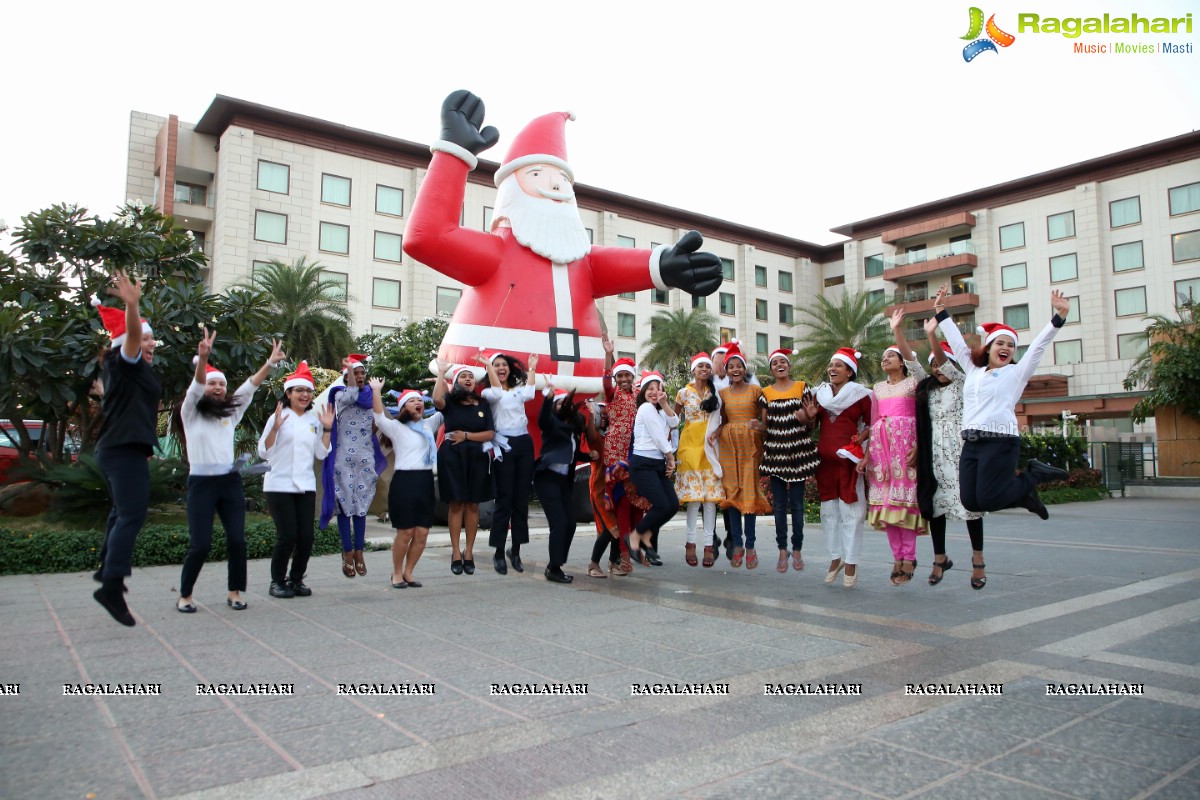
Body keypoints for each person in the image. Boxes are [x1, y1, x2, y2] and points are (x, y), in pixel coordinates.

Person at [402, 90, 721, 394]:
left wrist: (666, 265)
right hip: (489, 401)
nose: (555, 184)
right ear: (512, 190)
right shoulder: (496, 254)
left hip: (572, 407)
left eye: (563, 180)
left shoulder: (583, 260)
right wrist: (453, 153)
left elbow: (625, 264)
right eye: (538, 174)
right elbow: (427, 238)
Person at [936, 286, 1072, 589]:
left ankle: (1032, 476)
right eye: (1000, 342)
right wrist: (942, 312)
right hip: (971, 442)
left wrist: (1058, 318)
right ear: (988, 347)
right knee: (970, 501)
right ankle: (1024, 493)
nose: (1006, 348)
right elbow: (957, 344)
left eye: (1011, 345)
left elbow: (1037, 346)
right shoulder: (972, 370)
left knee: (986, 497)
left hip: (1000, 441)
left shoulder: (1017, 373)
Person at [177, 329, 284, 613]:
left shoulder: (231, 413)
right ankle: (185, 595)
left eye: (221, 385)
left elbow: (249, 387)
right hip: (201, 484)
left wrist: (270, 363)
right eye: (212, 384)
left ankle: (234, 592)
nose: (217, 389)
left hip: (229, 483)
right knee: (200, 544)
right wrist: (203, 359)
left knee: (237, 540)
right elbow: (195, 386)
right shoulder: (190, 412)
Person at [91, 271, 160, 627]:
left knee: (121, 512)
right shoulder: (124, 363)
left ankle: (107, 570)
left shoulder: (127, 371)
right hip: (120, 449)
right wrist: (132, 306)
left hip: (124, 448)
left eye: (152, 341)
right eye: (145, 340)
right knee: (132, 514)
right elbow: (131, 336)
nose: (149, 345)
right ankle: (112, 586)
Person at [859, 310, 928, 586]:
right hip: (881, 456)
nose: (885, 359)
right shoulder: (877, 388)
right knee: (887, 510)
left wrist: (897, 331)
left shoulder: (914, 383)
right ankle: (896, 557)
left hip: (905, 451)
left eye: (891, 356)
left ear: (901, 361)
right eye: (883, 357)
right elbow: (874, 422)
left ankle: (909, 557)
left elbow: (924, 419)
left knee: (904, 507)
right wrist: (866, 456)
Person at [914, 317, 982, 587]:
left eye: (942, 363)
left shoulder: (963, 383)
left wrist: (933, 334)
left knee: (970, 507)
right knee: (936, 507)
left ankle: (978, 561)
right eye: (933, 365)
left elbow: (945, 364)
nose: (938, 368)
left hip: (961, 453)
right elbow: (911, 363)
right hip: (934, 455)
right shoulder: (926, 388)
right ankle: (940, 558)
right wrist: (897, 330)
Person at [257, 362, 334, 598]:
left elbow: (321, 454)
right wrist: (275, 429)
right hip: (279, 485)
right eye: (298, 390)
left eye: (308, 391)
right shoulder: (278, 417)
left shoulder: (313, 421)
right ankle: (276, 581)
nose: (304, 394)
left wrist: (328, 429)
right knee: (287, 535)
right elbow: (263, 451)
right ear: (288, 393)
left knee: (306, 537)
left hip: (305, 486)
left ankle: (296, 579)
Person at [801, 347, 872, 589]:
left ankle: (851, 561)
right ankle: (835, 557)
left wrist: (862, 444)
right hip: (825, 461)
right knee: (829, 512)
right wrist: (810, 417)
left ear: (850, 372)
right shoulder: (818, 394)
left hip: (849, 461)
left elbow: (874, 425)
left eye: (838, 365)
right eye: (831, 365)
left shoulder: (862, 395)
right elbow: (809, 427)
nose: (832, 369)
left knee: (852, 512)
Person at [369, 381, 441, 589]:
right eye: (412, 401)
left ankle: (409, 572)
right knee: (406, 532)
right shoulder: (396, 427)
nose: (418, 403)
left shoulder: (430, 423)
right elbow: (379, 416)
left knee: (422, 533)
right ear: (403, 408)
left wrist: (443, 375)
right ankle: (397, 573)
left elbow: (444, 404)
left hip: (426, 481)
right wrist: (376, 391)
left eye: (420, 400)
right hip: (405, 482)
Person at [321, 354, 386, 579]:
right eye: (354, 373)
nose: (359, 377)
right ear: (347, 376)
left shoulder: (371, 395)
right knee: (344, 505)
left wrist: (372, 433)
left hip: (365, 457)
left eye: (361, 373)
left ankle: (360, 551)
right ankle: (347, 552)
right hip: (343, 458)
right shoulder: (341, 395)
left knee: (361, 506)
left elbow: (379, 419)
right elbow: (350, 392)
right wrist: (349, 370)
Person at [432, 359, 496, 575]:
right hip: (452, 457)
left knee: (473, 505)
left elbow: (490, 433)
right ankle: (456, 551)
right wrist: (442, 373)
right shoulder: (450, 401)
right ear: (456, 381)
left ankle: (469, 552)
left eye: (470, 376)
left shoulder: (482, 404)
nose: (468, 379)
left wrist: (467, 436)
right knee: (456, 504)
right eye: (463, 376)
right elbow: (436, 400)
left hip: (476, 457)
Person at [710, 342, 770, 568]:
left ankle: (751, 546)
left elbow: (767, 423)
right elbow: (722, 420)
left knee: (749, 493)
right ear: (725, 370)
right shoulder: (722, 393)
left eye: (739, 366)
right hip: (728, 444)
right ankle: (737, 545)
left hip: (750, 444)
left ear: (744, 369)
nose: (735, 370)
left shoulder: (757, 391)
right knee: (732, 494)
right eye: (730, 366)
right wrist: (715, 433)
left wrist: (759, 427)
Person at [759, 348, 819, 573]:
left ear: (790, 367)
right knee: (779, 506)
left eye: (783, 362)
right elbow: (766, 427)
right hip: (775, 454)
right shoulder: (765, 393)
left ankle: (797, 549)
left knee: (797, 505)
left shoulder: (802, 387)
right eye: (775, 363)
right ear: (771, 370)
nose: (780, 365)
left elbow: (812, 424)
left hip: (799, 454)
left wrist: (810, 417)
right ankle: (782, 549)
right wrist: (757, 427)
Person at [479, 350, 538, 575]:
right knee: (504, 499)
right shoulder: (488, 392)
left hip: (523, 442)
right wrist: (488, 366)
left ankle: (516, 550)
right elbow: (495, 390)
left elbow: (531, 392)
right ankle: (498, 551)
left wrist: (532, 367)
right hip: (504, 444)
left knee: (521, 499)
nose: (500, 368)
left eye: (503, 365)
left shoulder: (517, 391)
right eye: (496, 365)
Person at [673, 353, 723, 567]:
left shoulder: (717, 393)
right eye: (700, 366)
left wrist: (718, 432)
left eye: (707, 366)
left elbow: (725, 418)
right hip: (689, 448)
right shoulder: (683, 393)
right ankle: (691, 543)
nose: (704, 369)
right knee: (694, 499)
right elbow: (673, 420)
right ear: (693, 370)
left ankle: (709, 545)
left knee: (710, 500)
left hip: (710, 449)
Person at [534, 380, 586, 583]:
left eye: (566, 402)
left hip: (564, 480)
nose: (563, 405)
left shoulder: (572, 427)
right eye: (559, 403)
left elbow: (573, 454)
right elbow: (542, 418)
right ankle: (554, 568)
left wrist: (590, 456)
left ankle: (555, 564)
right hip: (547, 479)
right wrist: (548, 398)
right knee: (560, 523)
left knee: (571, 524)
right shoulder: (550, 424)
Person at [600, 335, 643, 571]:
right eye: (620, 375)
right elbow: (605, 383)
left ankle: (635, 552)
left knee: (638, 506)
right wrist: (608, 355)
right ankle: (624, 555)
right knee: (624, 506)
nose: (624, 379)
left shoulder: (639, 396)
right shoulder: (612, 395)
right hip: (616, 455)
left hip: (637, 454)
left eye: (627, 375)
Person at [629, 371, 680, 566]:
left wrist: (665, 403)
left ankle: (645, 535)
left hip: (656, 465)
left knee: (672, 506)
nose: (654, 392)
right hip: (643, 464)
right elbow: (659, 436)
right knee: (661, 505)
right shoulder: (645, 408)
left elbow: (674, 422)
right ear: (643, 392)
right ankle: (635, 537)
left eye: (658, 388)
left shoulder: (658, 410)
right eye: (650, 389)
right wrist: (670, 457)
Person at [583, 401, 623, 578]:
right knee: (609, 529)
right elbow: (589, 432)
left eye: (608, 415)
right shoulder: (595, 437)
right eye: (602, 415)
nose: (605, 417)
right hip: (599, 490)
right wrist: (591, 416)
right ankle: (593, 564)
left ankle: (614, 563)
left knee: (620, 527)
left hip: (615, 488)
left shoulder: (616, 437)